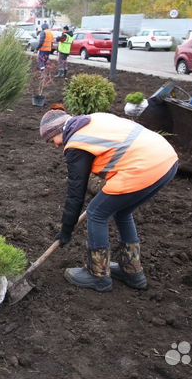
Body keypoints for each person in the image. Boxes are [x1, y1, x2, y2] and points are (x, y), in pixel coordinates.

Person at [39, 108, 179, 292]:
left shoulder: (76, 144)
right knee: (122, 211)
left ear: (59, 130)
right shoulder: (93, 120)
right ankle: (132, 271)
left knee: (96, 213)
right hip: (166, 160)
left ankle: (97, 276)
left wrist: (66, 230)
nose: (55, 145)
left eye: (52, 140)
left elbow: (75, 193)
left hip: (143, 166)